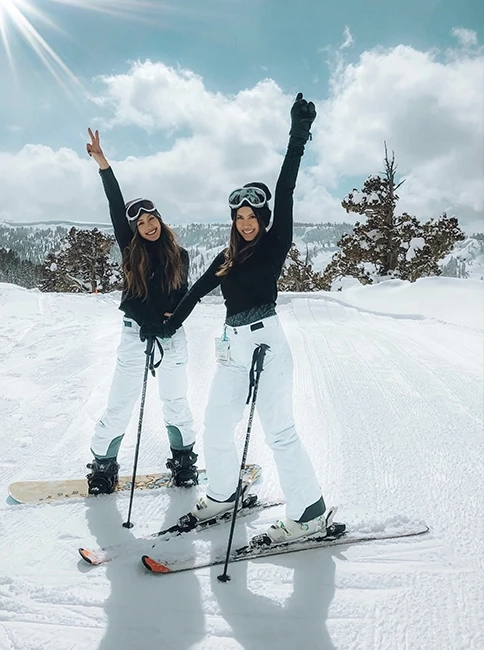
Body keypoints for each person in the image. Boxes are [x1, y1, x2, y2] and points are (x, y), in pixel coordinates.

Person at [140, 94, 327, 543]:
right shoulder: (227, 257)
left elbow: (286, 189)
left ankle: (310, 513)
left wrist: (297, 137)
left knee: (279, 430)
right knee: (217, 424)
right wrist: (167, 325)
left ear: (263, 219)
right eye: (240, 216)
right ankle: (224, 495)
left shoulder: (275, 242)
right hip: (232, 347)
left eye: (252, 216)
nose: (246, 223)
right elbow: (196, 292)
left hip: (267, 345)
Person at [85, 128, 197, 495]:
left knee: (175, 401)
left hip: (170, 337)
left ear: (160, 221)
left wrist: (170, 322)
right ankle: (103, 465)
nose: (147, 227)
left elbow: (183, 297)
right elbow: (115, 204)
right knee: (120, 402)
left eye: (152, 220)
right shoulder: (129, 247)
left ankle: (183, 460)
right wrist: (103, 164)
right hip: (134, 333)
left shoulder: (178, 255)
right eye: (141, 224)